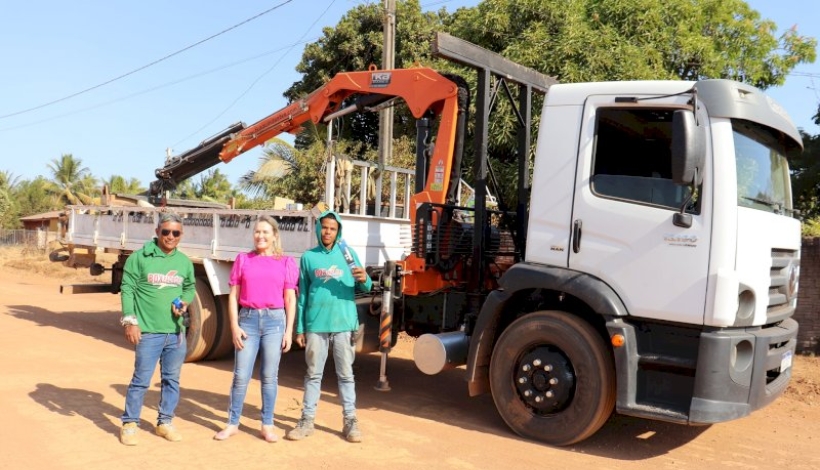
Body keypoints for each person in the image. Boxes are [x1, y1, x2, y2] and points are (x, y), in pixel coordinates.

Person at [285, 210, 372, 443]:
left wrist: (364, 278)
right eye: (324, 227)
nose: (328, 232)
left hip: (344, 323)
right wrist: (300, 328)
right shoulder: (308, 257)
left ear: (338, 231)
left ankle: (350, 421)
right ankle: (307, 421)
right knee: (313, 374)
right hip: (316, 324)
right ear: (318, 229)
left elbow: (366, 287)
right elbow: (303, 295)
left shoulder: (348, 254)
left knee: (346, 375)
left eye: (333, 229)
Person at [214, 215, 298, 443]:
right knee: (241, 375)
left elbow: (290, 299)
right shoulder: (243, 260)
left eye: (265, 232)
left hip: (274, 322)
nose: (260, 236)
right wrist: (234, 326)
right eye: (257, 232)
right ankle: (232, 423)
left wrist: (288, 331)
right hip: (248, 320)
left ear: (274, 236)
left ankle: (267, 424)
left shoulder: (286, 262)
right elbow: (233, 297)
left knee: (269, 376)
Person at [119, 212, 195, 446]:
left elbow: (189, 287)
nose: (171, 236)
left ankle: (165, 422)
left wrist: (184, 302)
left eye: (176, 233)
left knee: (171, 380)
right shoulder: (139, 257)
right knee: (141, 380)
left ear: (181, 235)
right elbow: (127, 289)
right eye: (166, 232)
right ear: (157, 232)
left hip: (175, 333)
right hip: (149, 332)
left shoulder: (184, 262)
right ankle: (130, 424)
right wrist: (130, 321)